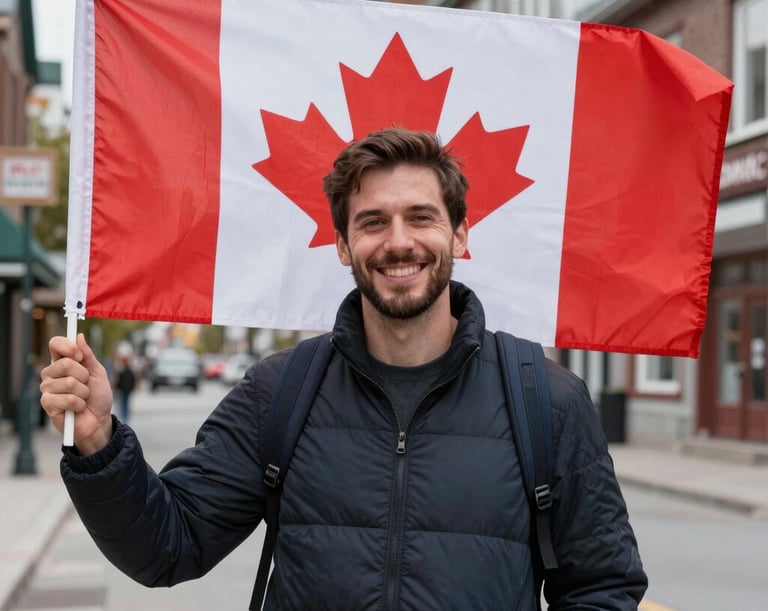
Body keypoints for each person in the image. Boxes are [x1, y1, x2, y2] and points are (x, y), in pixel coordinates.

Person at [40, 128, 647, 610]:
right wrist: (98, 444)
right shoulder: (280, 392)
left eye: (421, 217)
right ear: (342, 245)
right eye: (373, 221)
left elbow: (602, 587)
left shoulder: (547, 399)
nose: (399, 241)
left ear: (460, 235)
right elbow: (167, 547)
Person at [113, 354, 136, 423]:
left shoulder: (122, 371)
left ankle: (124, 416)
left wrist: (117, 388)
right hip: (127, 390)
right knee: (126, 403)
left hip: (123, 390)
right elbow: (133, 381)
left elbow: (119, 382)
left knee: (123, 403)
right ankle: (125, 416)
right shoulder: (129, 371)